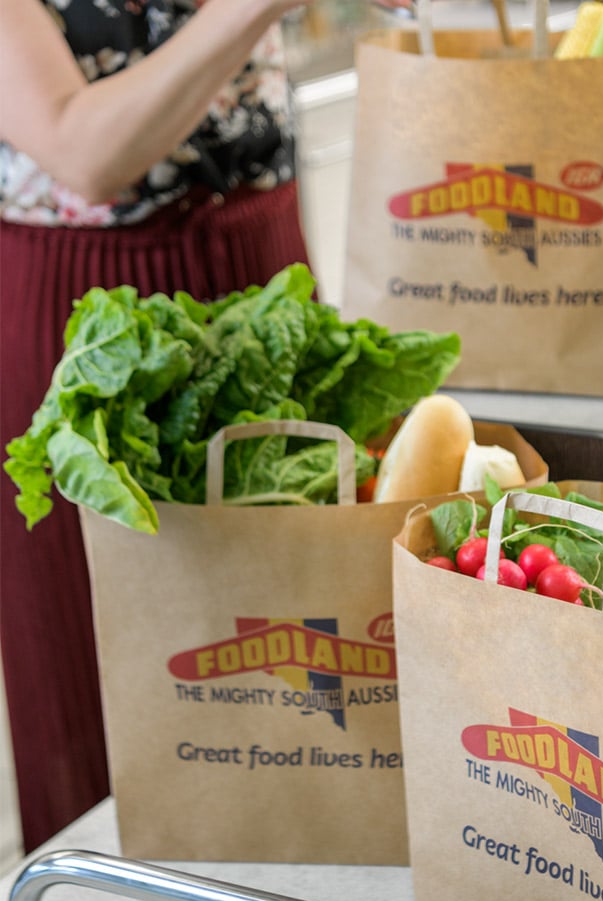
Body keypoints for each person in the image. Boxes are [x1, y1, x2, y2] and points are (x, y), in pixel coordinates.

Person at [0, 0, 405, 853]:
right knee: (108, 669)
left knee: (304, 637)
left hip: (257, 265)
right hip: (95, 313)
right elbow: (83, 154)